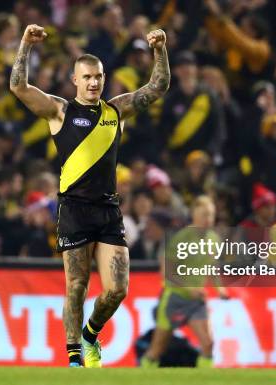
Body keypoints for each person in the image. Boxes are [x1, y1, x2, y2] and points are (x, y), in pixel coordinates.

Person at [10, 24, 170, 367]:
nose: (94, 82)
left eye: (98, 76)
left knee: (118, 289)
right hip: (74, 208)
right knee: (76, 285)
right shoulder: (59, 111)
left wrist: (159, 49)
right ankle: (73, 359)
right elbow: (18, 86)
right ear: (75, 81)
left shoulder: (117, 111)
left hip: (108, 209)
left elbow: (158, 86)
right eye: (87, 77)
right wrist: (25, 44)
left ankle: (90, 334)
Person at [140, 196, 228, 368]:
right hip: (174, 299)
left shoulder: (214, 239)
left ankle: (205, 380)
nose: (208, 219)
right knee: (157, 349)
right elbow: (167, 273)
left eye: (210, 215)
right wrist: (190, 289)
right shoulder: (181, 238)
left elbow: (213, 266)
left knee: (208, 344)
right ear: (194, 216)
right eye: (204, 215)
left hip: (196, 302)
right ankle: (143, 373)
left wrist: (220, 289)